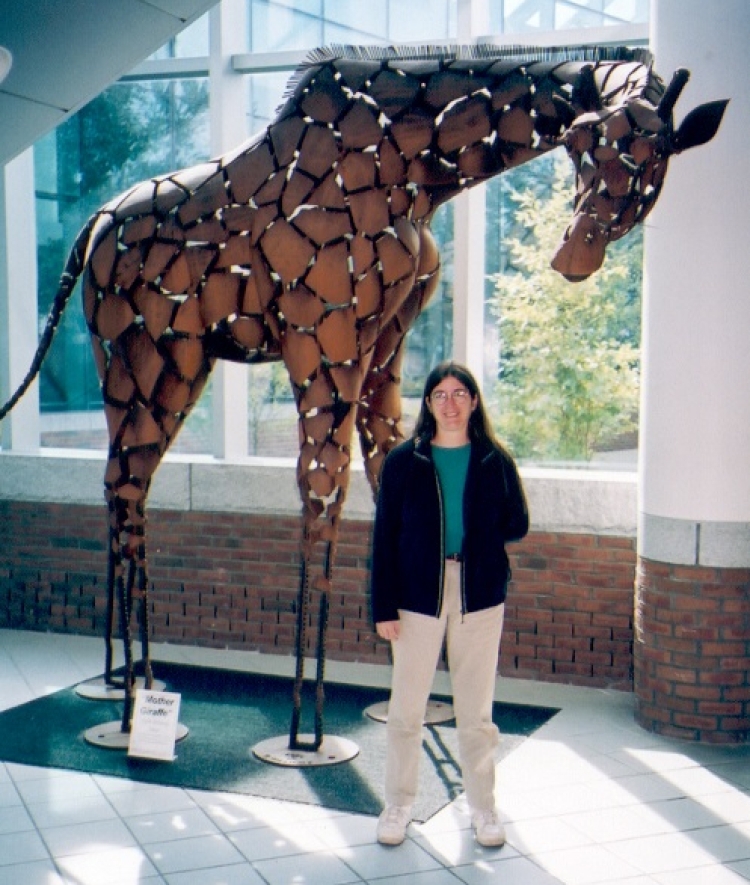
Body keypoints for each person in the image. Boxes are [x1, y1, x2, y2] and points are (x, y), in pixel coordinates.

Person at [370, 360, 529, 847]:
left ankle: (483, 808)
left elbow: (517, 523)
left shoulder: (493, 460)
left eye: (460, 393)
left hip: (479, 595)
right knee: (406, 709)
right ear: (429, 404)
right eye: (440, 394)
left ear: (475, 401)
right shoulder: (404, 461)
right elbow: (384, 539)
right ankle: (398, 805)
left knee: (477, 713)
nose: (451, 403)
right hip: (417, 596)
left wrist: (478, 537)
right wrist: (384, 607)